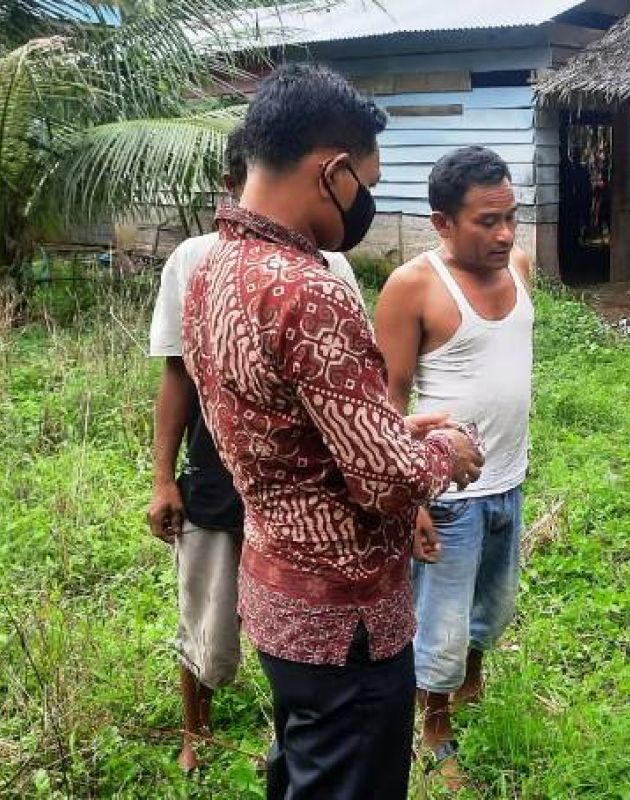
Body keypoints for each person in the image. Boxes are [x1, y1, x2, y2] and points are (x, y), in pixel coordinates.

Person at [181, 63, 483, 799]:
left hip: (277, 592)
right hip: (346, 616)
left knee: (304, 767)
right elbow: (385, 479)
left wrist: (381, 426)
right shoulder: (309, 289)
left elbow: (274, 426)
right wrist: (447, 449)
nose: (366, 203)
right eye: (366, 183)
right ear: (334, 171)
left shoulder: (210, 270)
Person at [146, 126, 366, 772]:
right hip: (218, 473)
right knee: (206, 619)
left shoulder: (333, 265)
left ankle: (291, 734)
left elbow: (354, 382)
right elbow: (176, 374)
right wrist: (164, 477)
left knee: (298, 623)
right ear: (231, 188)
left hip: (306, 489)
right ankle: (198, 730)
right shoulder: (193, 261)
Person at [375, 145, 533, 789]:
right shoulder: (413, 286)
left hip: (510, 480)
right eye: (485, 222)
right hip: (446, 495)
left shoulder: (520, 265)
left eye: (510, 218)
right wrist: (409, 497)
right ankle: (434, 728)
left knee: (489, 609)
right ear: (443, 223)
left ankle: (470, 689)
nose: (503, 235)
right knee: (438, 622)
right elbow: (389, 401)